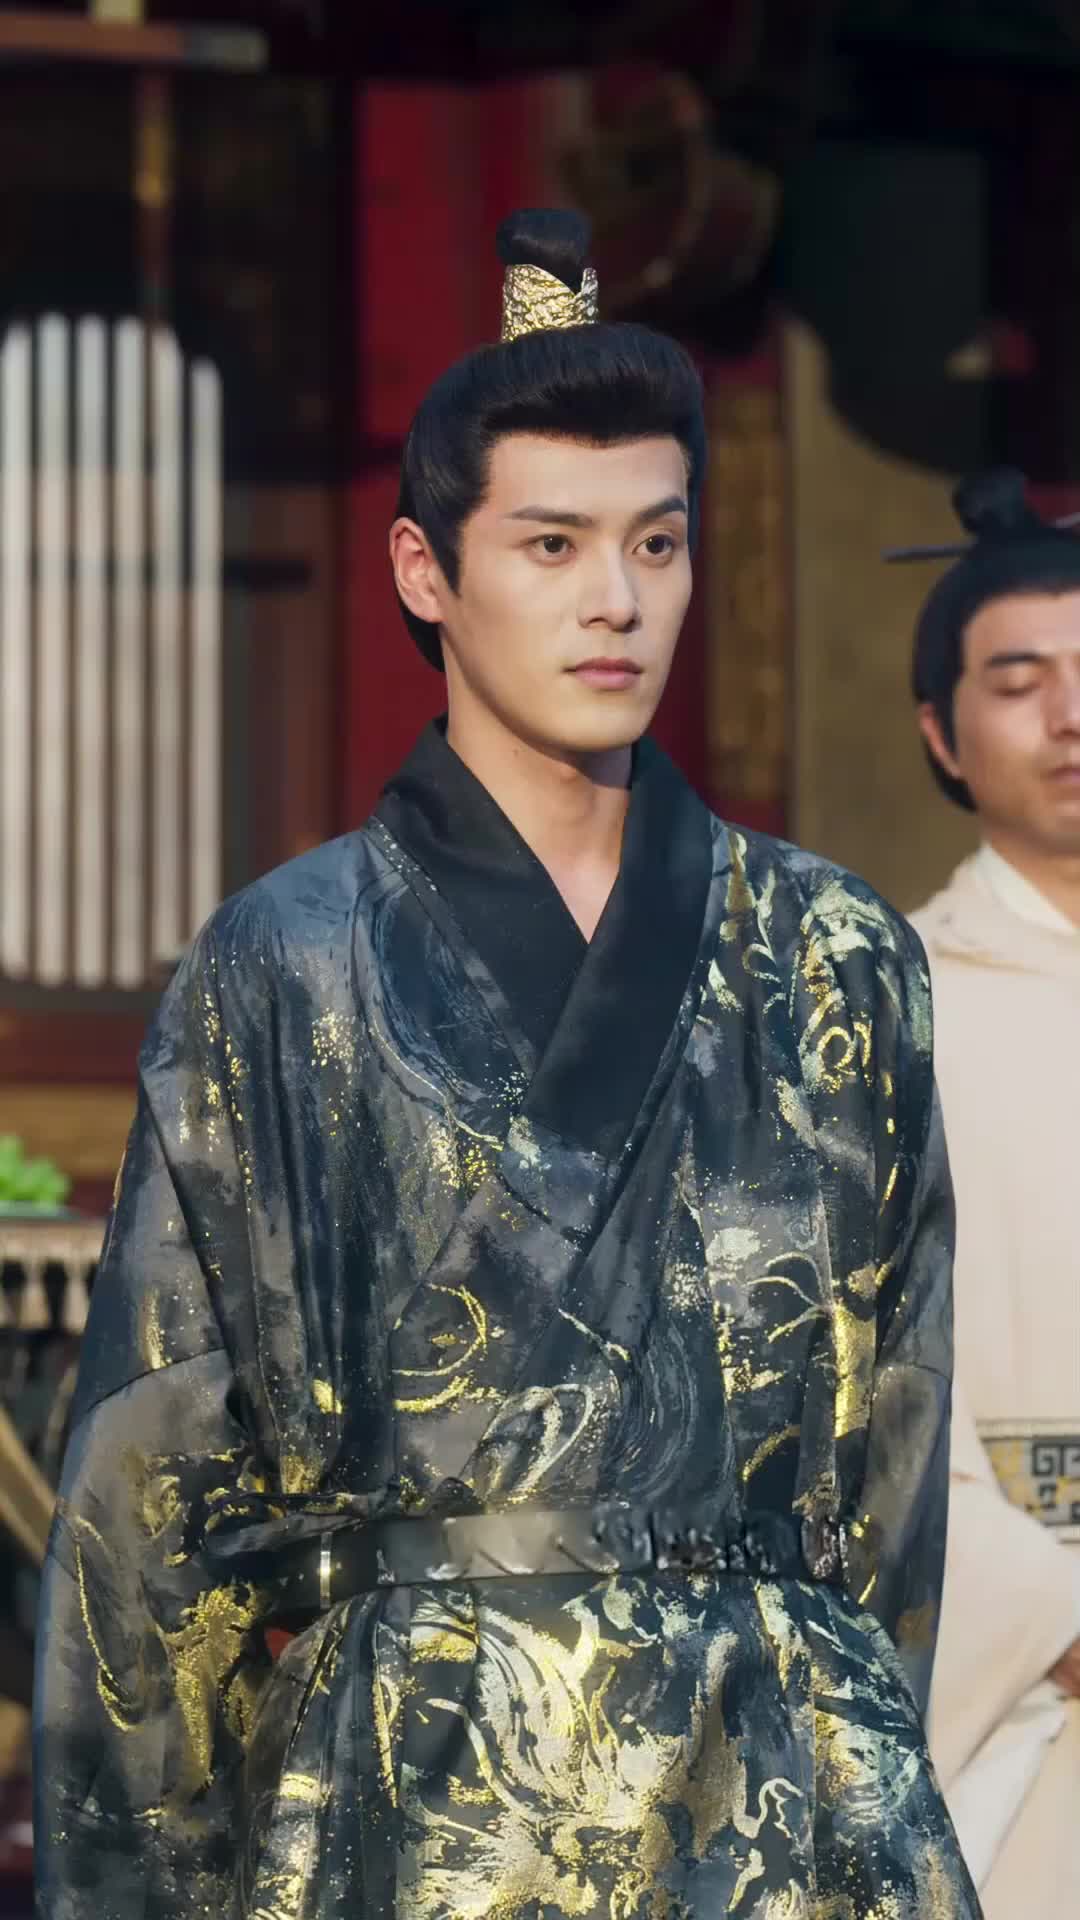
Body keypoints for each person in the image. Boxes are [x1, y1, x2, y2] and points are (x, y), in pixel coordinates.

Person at [35, 209, 978, 1919]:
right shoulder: (287, 963)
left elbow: (891, 1467)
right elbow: (149, 1500)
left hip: (772, 1780)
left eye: (657, 543)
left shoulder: (832, 955)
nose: (618, 602)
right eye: (552, 544)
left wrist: (859, 1761)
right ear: (425, 572)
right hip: (419, 1782)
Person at [906, 467, 1080, 1916]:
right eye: (1020, 683)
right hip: (1018, 1672)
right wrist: (1049, 1612)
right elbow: (857, 1384)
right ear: (940, 733)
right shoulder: (881, 1012)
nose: (1071, 715)